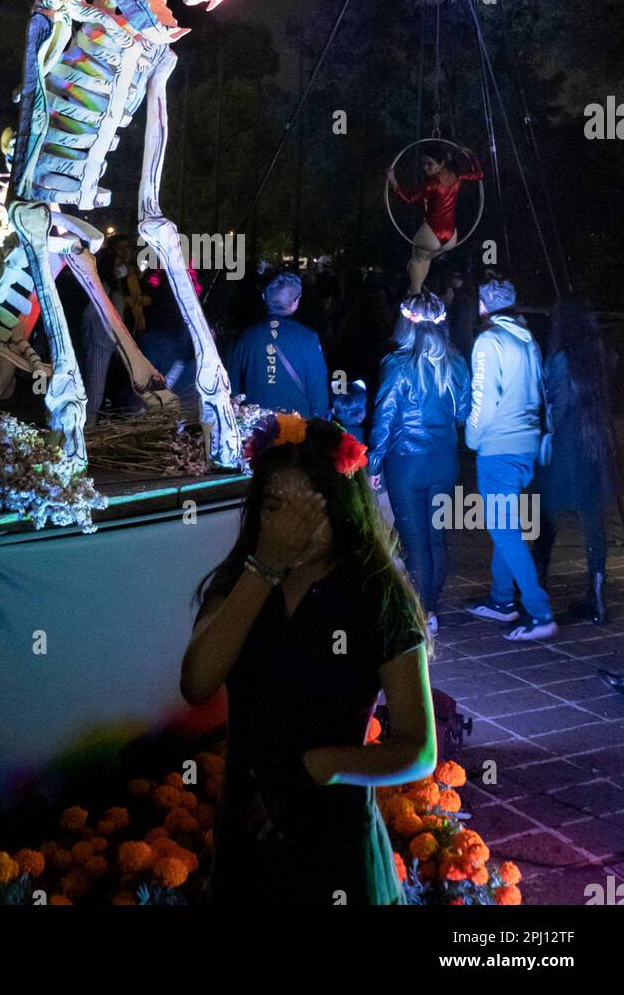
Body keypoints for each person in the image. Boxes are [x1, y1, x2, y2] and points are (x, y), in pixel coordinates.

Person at [181, 416, 434, 907]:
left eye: (305, 513)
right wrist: (264, 568)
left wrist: (319, 767)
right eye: (275, 509)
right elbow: (197, 682)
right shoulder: (241, 582)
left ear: (339, 511)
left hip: (335, 837)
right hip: (246, 835)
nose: (287, 529)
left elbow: (418, 750)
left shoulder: (375, 596)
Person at [367, 292, 470, 637]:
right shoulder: (456, 362)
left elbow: (384, 418)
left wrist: (374, 465)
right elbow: (463, 413)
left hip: (406, 463)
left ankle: (418, 616)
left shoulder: (396, 364)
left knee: (415, 544)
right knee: (436, 540)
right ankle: (431, 612)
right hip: (444, 461)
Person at [465, 278, 557, 641]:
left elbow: (483, 398)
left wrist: (472, 437)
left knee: (505, 532)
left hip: (499, 448)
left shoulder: (489, 341)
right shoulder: (527, 339)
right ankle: (502, 600)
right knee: (511, 529)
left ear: (484, 306)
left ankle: (540, 612)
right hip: (526, 447)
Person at [533, 295, 619, 624]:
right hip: (596, 445)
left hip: (566, 445)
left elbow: (555, 403)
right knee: (592, 523)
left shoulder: (561, 358)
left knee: (545, 517)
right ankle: (597, 597)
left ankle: (536, 590)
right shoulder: (601, 355)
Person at [228, 272, 329, 417]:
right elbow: (318, 389)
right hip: (297, 428)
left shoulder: (245, 337)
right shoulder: (308, 338)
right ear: (296, 303)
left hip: (255, 427)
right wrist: (318, 420)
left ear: (263, 297)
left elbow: (234, 386)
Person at [387, 144, 483, 293]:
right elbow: (478, 174)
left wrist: (393, 181)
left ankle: (415, 298)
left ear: (442, 164)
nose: (425, 168)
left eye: (430, 164)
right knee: (424, 259)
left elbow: (408, 198)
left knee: (415, 262)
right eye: (424, 163)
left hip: (432, 232)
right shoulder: (457, 175)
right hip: (451, 237)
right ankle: (417, 295)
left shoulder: (432, 183)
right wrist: (472, 155)